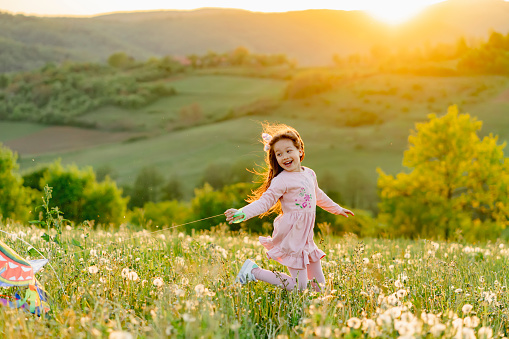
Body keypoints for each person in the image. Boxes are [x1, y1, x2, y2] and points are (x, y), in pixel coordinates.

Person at [224, 123, 353, 292]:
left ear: (300, 150)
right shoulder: (281, 180)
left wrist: (337, 209)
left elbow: (318, 195)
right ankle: (253, 271)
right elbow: (265, 202)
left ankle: (315, 314)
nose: (284, 156)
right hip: (292, 236)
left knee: (319, 288)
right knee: (299, 286)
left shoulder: (309, 173)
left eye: (288, 151)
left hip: (306, 236)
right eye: (279, 154)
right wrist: (242, 213)